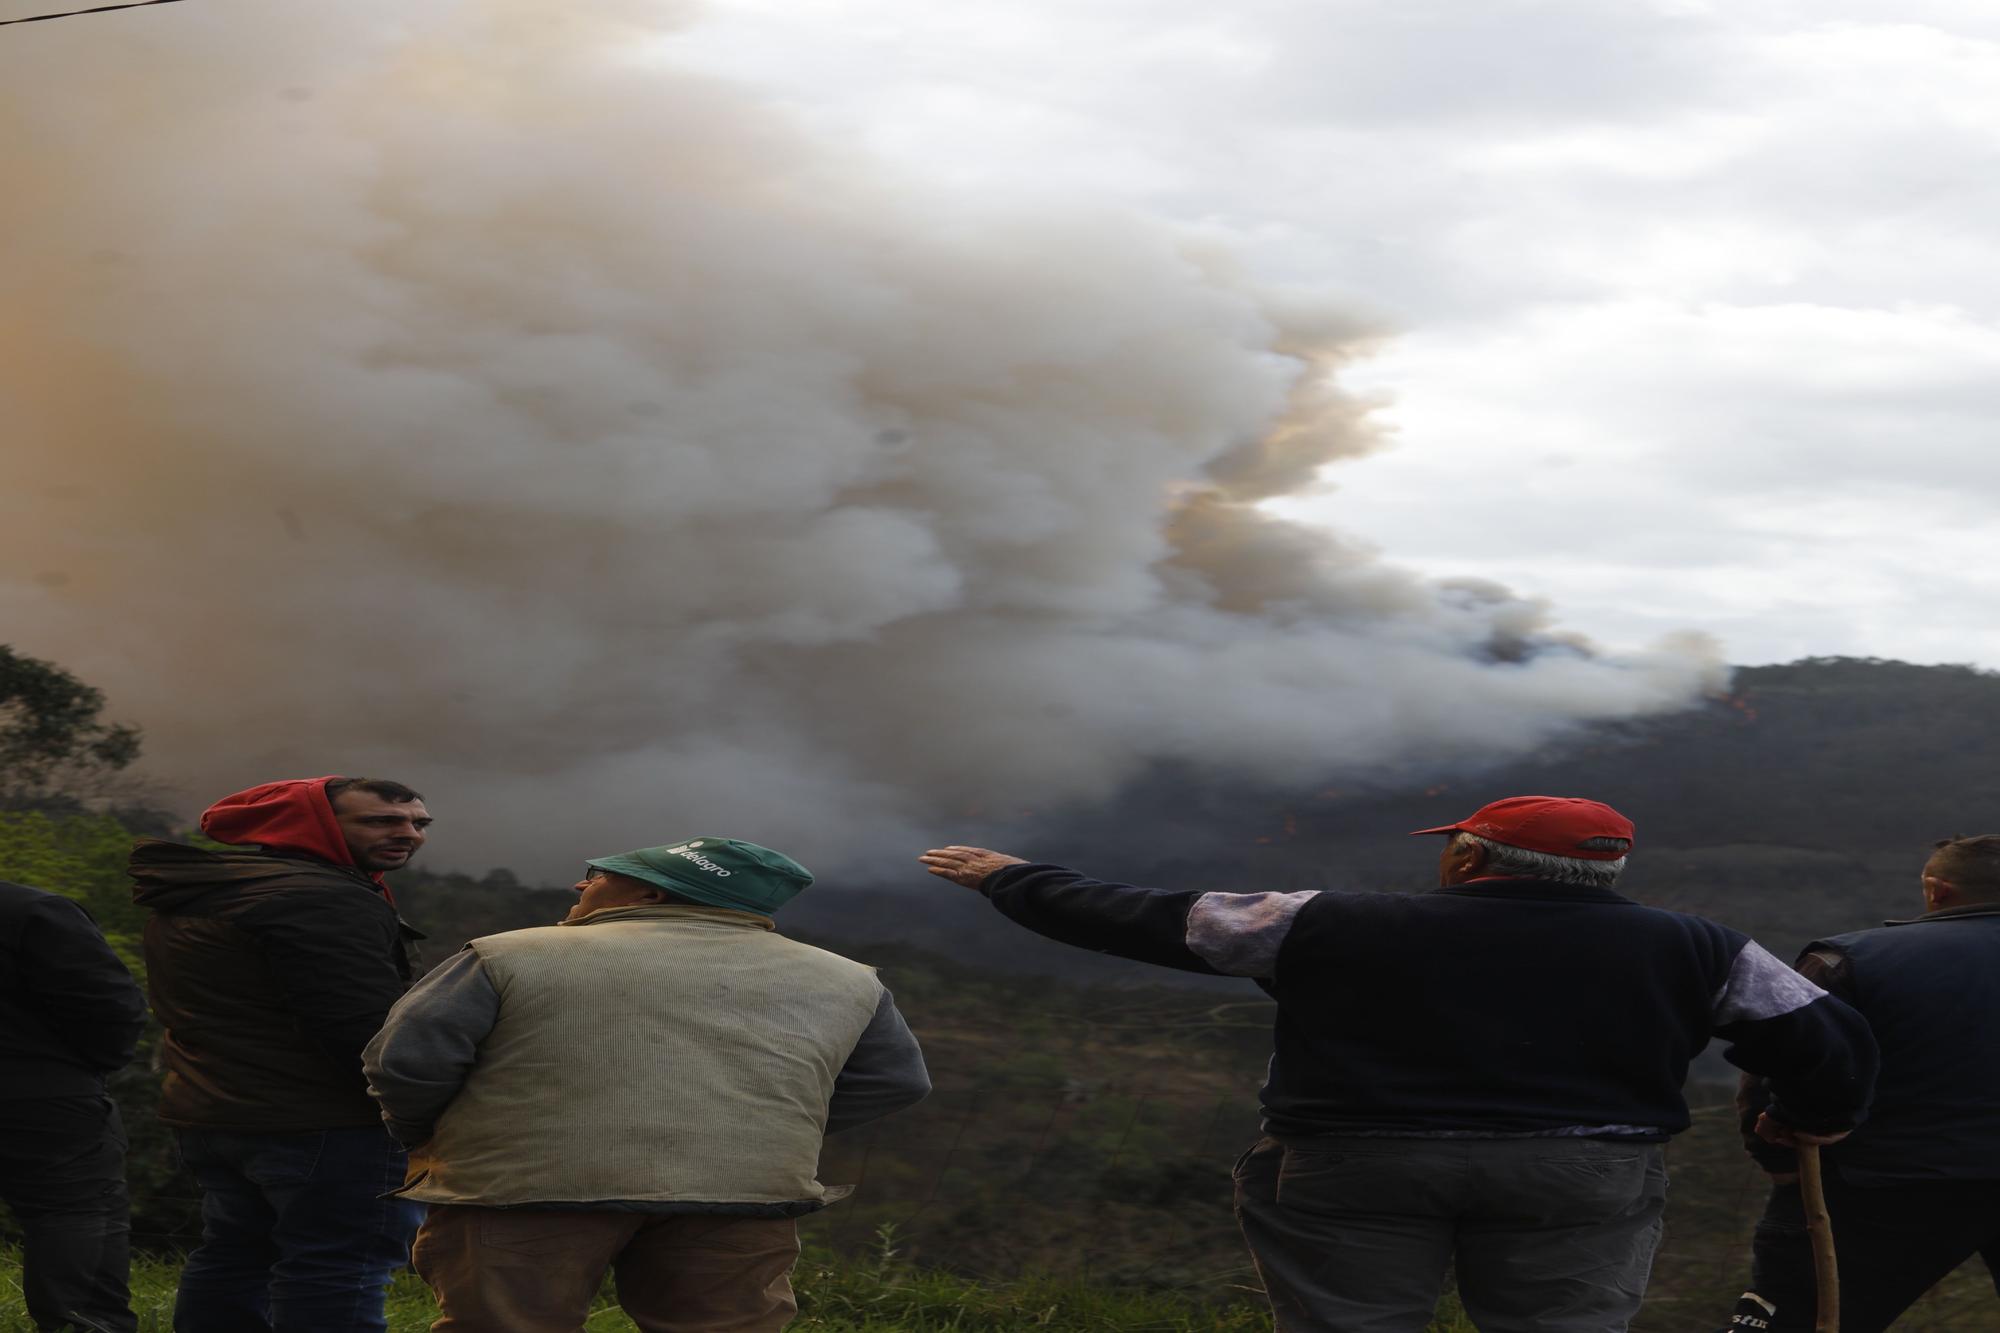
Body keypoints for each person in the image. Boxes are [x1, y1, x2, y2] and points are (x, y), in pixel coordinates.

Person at [921, 795, 1878, 1333]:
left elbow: (1152, 918)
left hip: (1354, 1161)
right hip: (1583, 1171)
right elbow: (1826, 1034)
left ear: (1470, 857)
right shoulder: (1698, 945)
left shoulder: (1330, 920)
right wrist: (1807, 1119)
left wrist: (1015, 878)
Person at [364, 836, 931, 1333]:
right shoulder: (850, 979)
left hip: (522, 1187)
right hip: (743, 1193)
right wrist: (764, 1124)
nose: (582, 883)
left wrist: (426, 1136)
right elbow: (895, 1080)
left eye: (602, 876)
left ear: (651, 894)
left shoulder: (507, 954)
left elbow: (405, 1063)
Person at [128, 776, 433, 1333]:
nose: (408, 834)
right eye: (382, 821)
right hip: (324, 1122)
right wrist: (427, 1106)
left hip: (215, 1110)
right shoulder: (323, 899)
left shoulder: (208, 888)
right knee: (340, 1266)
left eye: (417, 824)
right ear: (313, 824)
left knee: (234, 1258)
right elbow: (364, 1032)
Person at [1721, 833, 2000, 1332]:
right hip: (1889, 1182)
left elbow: (1782, 1062)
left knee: (1803, 1320)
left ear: (1937, 890)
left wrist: (1780, 1157)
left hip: (1875, 1189)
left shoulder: (1851, 959)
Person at [0, 877, 149, 1333]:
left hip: (39, 1090)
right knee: (76, 1213)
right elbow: (111, 1008)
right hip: (40, 1098)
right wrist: (83, 1067)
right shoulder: (29, 911)